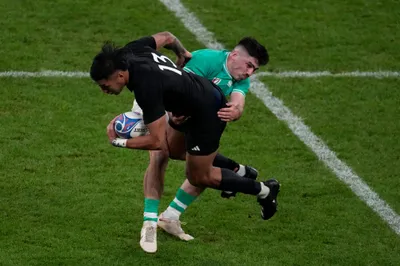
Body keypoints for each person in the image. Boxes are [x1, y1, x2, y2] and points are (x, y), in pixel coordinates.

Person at [90, 32, 280, 253]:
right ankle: (236, 171)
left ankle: (263, 190)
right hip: (180, 107)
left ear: (121, 75)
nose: (104, 91)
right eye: (248, 65)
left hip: (206, 113)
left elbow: (156, 139)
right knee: (171, 153)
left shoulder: (146, 86)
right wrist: (181, 53)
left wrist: (119, 142)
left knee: (198, 173)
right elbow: (166, 38)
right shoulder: (134, 50)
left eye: (105, 85)